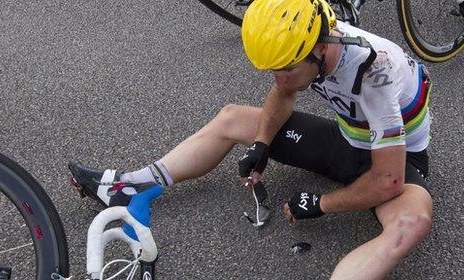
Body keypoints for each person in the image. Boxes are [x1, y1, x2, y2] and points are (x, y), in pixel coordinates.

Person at [69, 0, 433, 278]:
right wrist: (261, 143)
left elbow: (389, 180)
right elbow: (285, 93)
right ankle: (130, 186)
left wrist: (322, 203)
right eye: (271, 69)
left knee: (411, 224)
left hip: (392, 160)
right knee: (233, 117)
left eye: (286, 68)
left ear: (321, 48)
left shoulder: (374, 72)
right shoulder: (308, 46)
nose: (278, 79)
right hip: (346, 138)